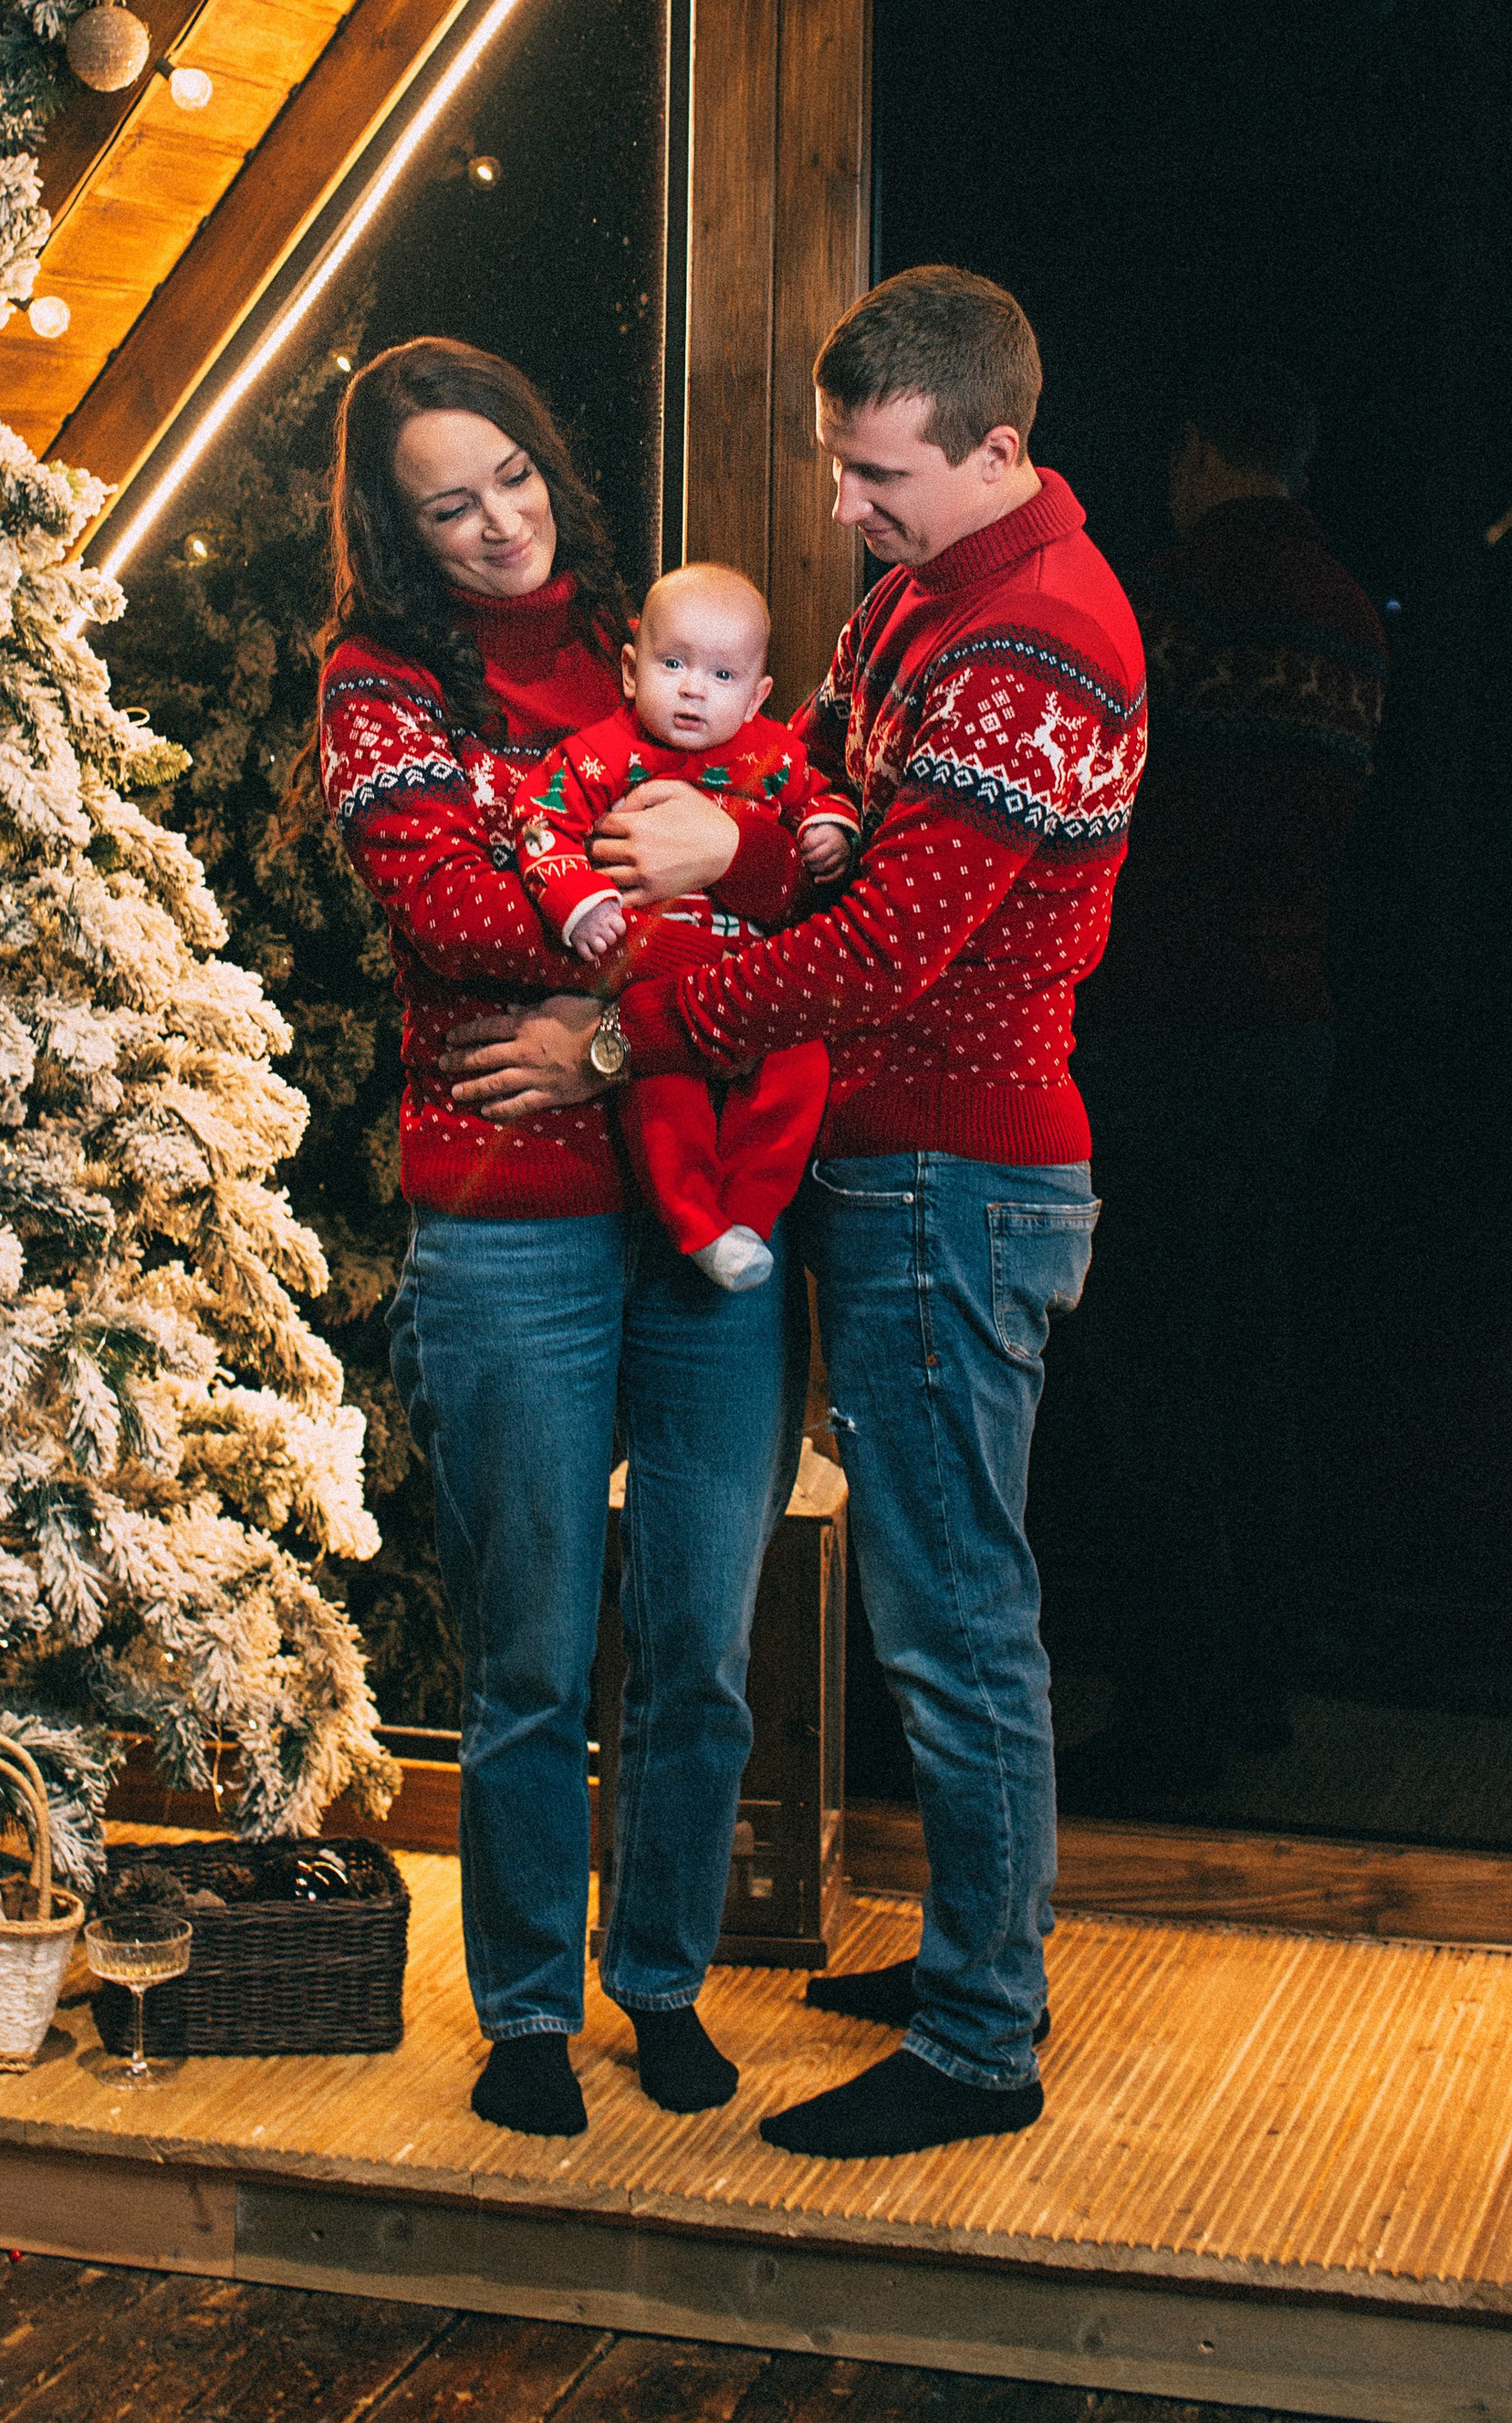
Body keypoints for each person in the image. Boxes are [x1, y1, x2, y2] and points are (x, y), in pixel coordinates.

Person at [452, 267, 1147, 2160]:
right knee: (938, 1592)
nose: (841, 509)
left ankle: (980, 2038)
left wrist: (628, 1031)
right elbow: (826, 824)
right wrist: (730, 847)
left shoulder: (1037, 647)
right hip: (889, 1165)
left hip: (957, 1174)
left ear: (994, 450)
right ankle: (968, 1957)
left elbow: (887, 955)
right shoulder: (933, 591)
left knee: (950, 1614)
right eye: (842, 475)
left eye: (875, 476)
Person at [316, 339, 808, 2144]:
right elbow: (447, 914)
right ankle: (526, 2003)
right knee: (529, 1648)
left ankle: (657, 1981)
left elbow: (798, 877)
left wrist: (636, 993)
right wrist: (680, 897)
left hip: (709, 1234)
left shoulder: (660, 636)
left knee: (697, 1635)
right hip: (509, 1222)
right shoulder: (380, 687)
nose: (499, 524)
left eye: (512, 476)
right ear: (394, 528)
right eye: (449, 506)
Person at [1058, 362, 1388, 1812]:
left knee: (1149, 1366)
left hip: (1166, 1016)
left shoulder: (1168, 602)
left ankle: (1170, 1708)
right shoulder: (1355, 620)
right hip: (1291, 1017)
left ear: (1199, 451)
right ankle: (1257, 1675)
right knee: (1248, 1347)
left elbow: (1113, 808)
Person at [516, 560, 850, 1294]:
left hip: (760, 987)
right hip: (661, 986)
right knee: (665, 1094)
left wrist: (830, 829)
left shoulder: (774, 755)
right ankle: (697, 1223)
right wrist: (582, 902)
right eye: (673, 664)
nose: (695, 688)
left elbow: (820, 801)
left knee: (802, 1070)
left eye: (723, 676)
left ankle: (752, 1214)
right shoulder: (601, 753)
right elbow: (539, 825)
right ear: (632, 671)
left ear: (760, 694)